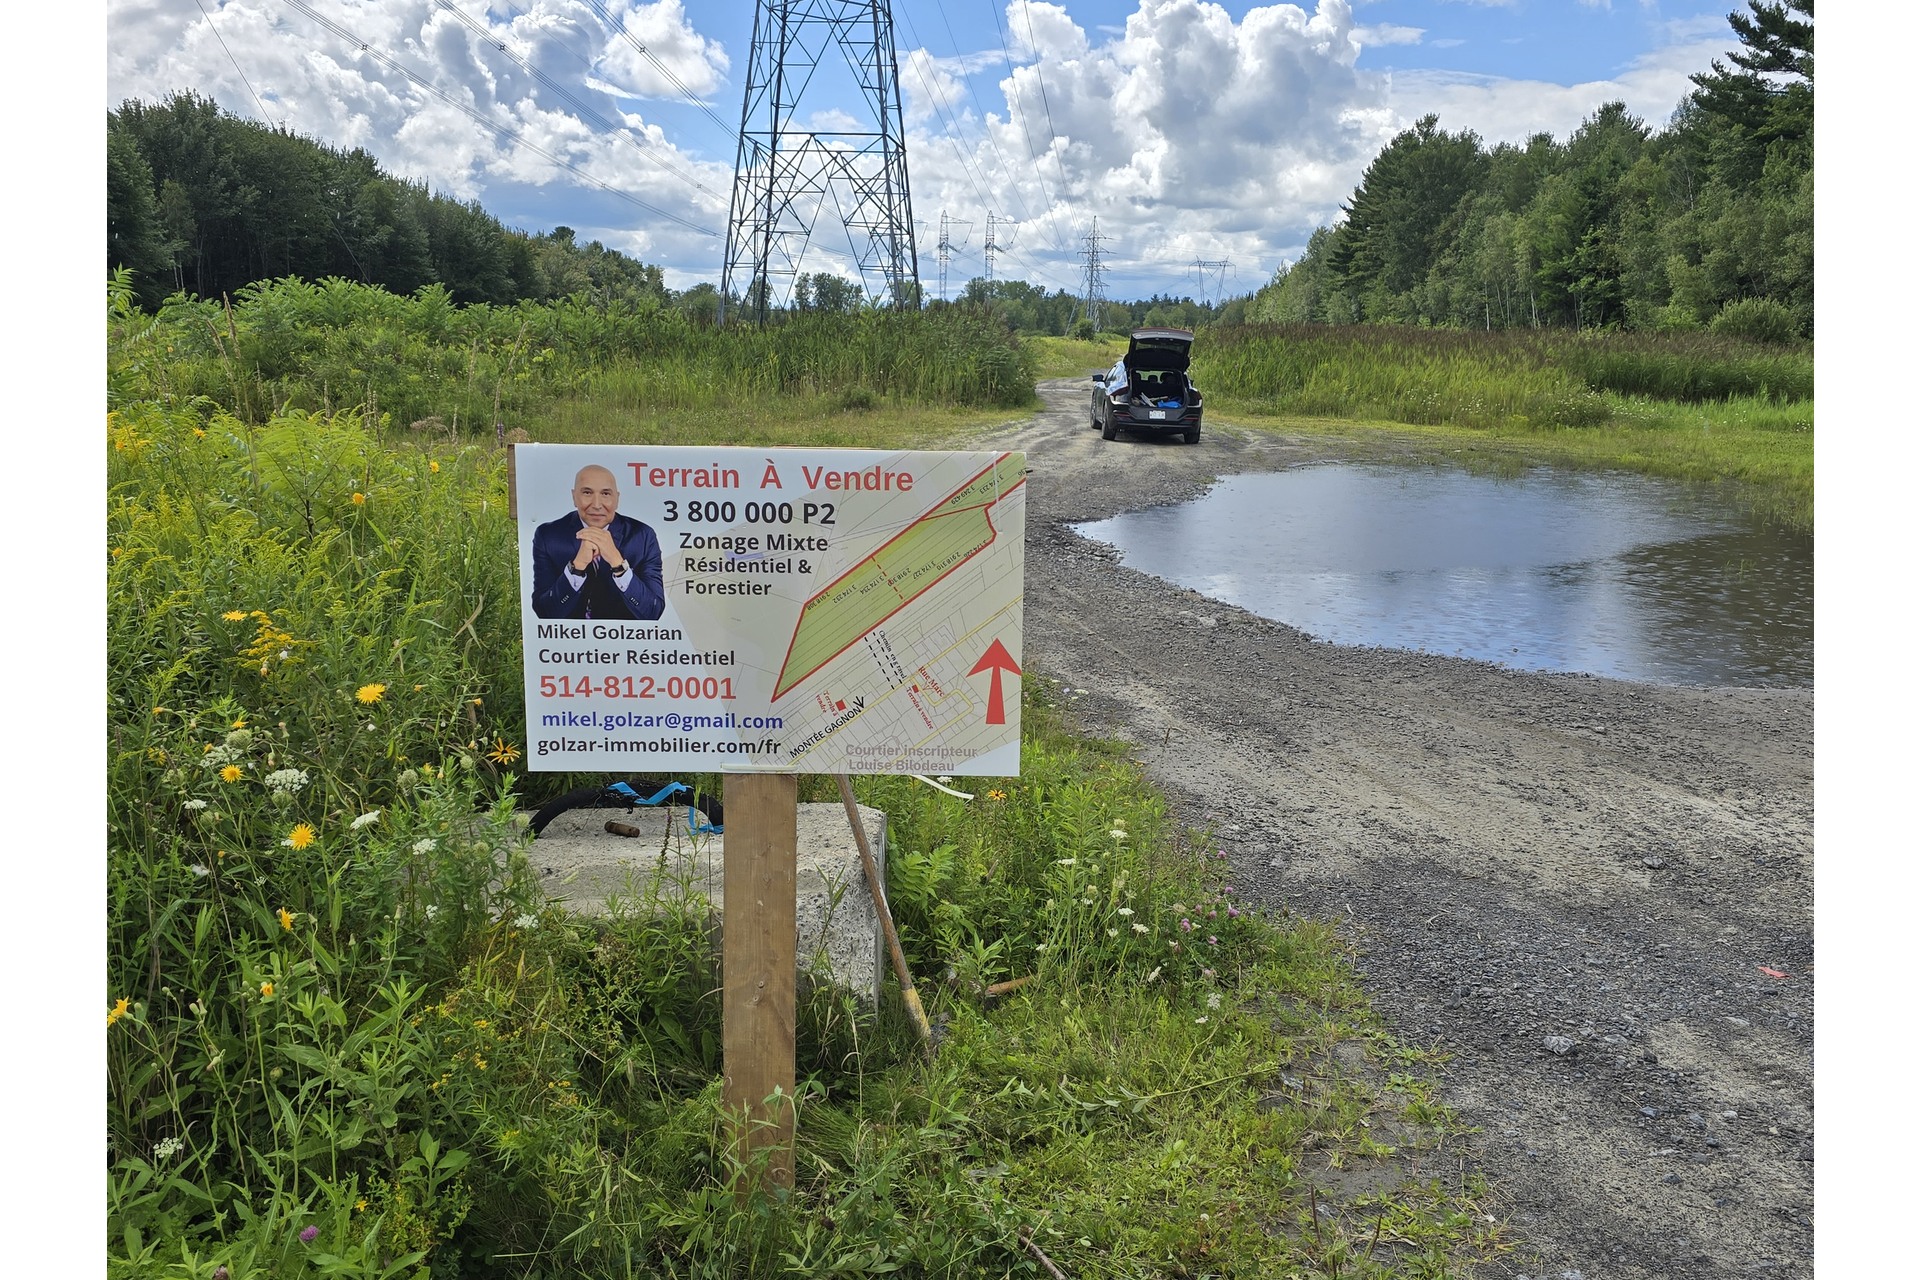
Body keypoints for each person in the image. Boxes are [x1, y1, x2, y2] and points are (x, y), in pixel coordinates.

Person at [530, 464, 665, 620]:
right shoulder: (549, 536)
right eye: (587, 493)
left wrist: (618, 563)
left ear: (617, 499)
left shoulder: (643, 536)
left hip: (626, 641)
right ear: (574, 497)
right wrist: (577, 567)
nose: (596, 504)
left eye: (605, 494)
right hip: (568, 640)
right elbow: (544, 612)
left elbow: (653, 612)